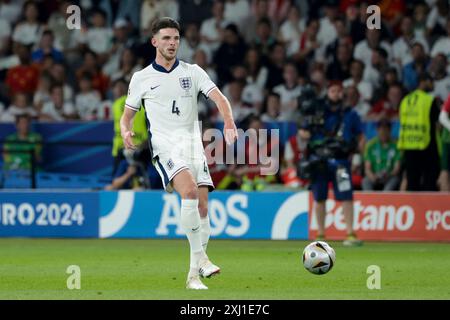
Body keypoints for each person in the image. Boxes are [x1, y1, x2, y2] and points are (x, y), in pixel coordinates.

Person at [120, 18, 238, 290]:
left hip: (193, 144)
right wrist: (125, 131)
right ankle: (203, 260)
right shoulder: (141, 78)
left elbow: (220, 98)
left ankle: (193, 276)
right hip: (165, 144)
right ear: (154, 42)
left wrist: (229, 122)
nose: (172, 43)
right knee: (189, 193)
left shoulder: (192, 71)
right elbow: (127, 117)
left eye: (175, 38)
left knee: (203, 207)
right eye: (166, 39)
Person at [305, 82, 364, 246]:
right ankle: (321, 233)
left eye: (338, 91)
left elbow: (360, 136)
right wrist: (307, 127)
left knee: (346, 196)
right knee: (319, 197)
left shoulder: (350, 114)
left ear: (342, 94)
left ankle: (350, 232)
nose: (335, 94)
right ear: (327, 92)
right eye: (332, 90)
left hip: (340, 161)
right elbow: (303, 132)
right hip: (319, 161)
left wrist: (358, 156)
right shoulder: (316, 113)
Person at [397, 73, 440, 191]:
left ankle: (413, 208)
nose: (433, 85)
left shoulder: (405, 100)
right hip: (426, 145)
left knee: (412, 182)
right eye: (431, 81)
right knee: (429, 180)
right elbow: (438, 124)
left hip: (409, 145)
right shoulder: (429, 100)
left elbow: (402, 121)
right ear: (424, 81)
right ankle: (429, 208)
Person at [362, 119, 401, 191]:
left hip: (390, 176)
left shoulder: (396, 145)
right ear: (377, 130)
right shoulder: (371, 145)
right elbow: (367, 168)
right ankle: (370, 201)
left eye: (386, 130)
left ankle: (385, 201)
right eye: (381, 130)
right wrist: (373, 177)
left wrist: (389, 175)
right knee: (365, 181)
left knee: (392, 184)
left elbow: (397, 168)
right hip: (375, 175)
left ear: (390, 131)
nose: (383, 133)